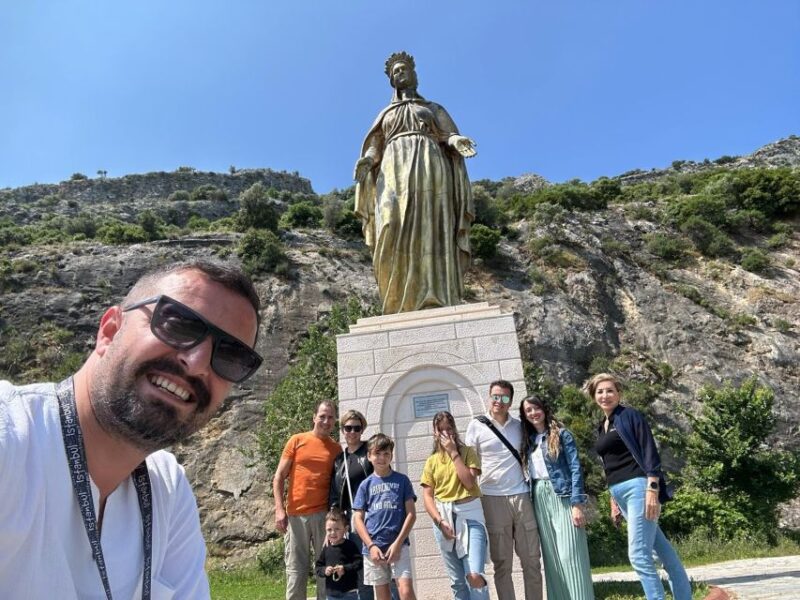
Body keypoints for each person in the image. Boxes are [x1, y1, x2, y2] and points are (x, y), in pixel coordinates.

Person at [0, 260, 263, 598]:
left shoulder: (167, 488)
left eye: (230, 357)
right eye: (179, 324)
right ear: (109, 331)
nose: (196, 363)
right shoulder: (12, 436)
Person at [354, 51, 477, 314]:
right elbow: (376, 146)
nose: (400, 73)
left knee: (432, 224)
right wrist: (367, 160)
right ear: (391, 81)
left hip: (430, 165)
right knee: (389, 224)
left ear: (414, 75)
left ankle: (438, 294)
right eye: (395, 72)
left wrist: (457, 140)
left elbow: (448, 134)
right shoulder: (386, 114)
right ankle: (397, 301)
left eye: (403, 69)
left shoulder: (432, 108)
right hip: (392, 168)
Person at [585, 373, 691, 600]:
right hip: (619, 492)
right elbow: (609, 465)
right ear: (594, 396)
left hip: (638, 488)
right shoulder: (602, 426)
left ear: (618, 393)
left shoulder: (629, 416)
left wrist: (652, 488)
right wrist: (613, 500)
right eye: (600, 392)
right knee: (664, 553)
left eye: (610, 390)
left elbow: (649, 450)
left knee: (638, 554)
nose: (605, 395)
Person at [464, 380, 543, 600]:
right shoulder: (475, 426)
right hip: (492, 498)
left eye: (504, 398)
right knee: (502, 563)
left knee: (532, 560)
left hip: (521, 496)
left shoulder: (520, 426)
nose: (499, 401)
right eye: (495, 397)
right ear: (489, 397)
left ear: (510, 401)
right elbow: (471, 464)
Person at [519, 396, 595, 600]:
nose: (533, 413)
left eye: (536, 408)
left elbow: (576, 468)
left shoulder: (562, 435)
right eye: (528, 411)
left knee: (571, 554)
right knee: (552, 558)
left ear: (544, 409)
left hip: (562, 495)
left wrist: (577, 503)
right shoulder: (528, 441)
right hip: (538, 496)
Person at [273, 400, 343, 600]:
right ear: (314, 417)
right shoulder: (297, 440)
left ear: (335, 421)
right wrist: (279, 509)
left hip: (324, 516)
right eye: (322, 416)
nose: (326, 420)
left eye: (330, 417)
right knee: (296, 571)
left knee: (325, 570)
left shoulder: (336, 449)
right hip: (296, 516)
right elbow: (278, 476)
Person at [420, 411, 489, 600]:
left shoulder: (467, 453)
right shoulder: (432, 461)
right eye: (440, 430)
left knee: (474, 574)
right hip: (444, 518)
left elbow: (468, 482)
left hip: (471, 515)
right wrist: (439, 521)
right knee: (458, 582)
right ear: (435, 433)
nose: (445, 434)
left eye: (448, 429)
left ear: (454, 429)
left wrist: (453, 453)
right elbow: (427, 496)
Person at [352, 433, 417, 600]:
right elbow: (357, 518)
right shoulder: (365, 485)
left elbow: (411, 514)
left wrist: (398, 543)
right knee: (382, 595)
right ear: (369, 456)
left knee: (405, 591)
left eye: (386, 453)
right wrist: (371, 545)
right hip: (374, 548)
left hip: (398, 545)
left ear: (391, 456)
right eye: (377, 454)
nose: (381, 458)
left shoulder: (402, 481)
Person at [315, 507, 363, 600]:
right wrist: (325, 570)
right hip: (331, 594)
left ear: (346, 529)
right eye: (329, 530)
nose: (333, 532)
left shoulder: (350, 545)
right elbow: (318, 566)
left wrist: (344, 569)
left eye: (337, 529)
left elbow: (359, 563)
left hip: (349, 593)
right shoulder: (327, 547)